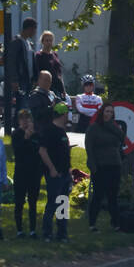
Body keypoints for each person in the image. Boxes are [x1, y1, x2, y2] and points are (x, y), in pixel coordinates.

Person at [84, 102, 125, 233]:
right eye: (107, 112)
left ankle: (116, 223)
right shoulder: (94, 128)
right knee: (98, 195)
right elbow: (89, 147)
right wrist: (93, 166)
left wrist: (113, 127)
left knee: (113, 195)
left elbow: (122, 139)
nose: (109, 114)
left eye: (111, 112)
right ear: (102, 113)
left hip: (114, 164)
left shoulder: (114, 127)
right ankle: (92, 224)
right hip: (100, 165)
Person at [39, 102, 74, 243]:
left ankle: (62, 233)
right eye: (67, 113)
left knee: (63, 203)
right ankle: (47, 232)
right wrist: (52, 169)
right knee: (52, 203)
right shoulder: (49, 130)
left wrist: (69, 170)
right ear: (63, 114)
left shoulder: (62, 131)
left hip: (65, 173)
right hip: (55, 174)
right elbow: (42, 151)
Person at [9, 108, 43, 239]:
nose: (25, 121)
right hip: (21, 171)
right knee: (19, 201)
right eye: (22, 119)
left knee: (33, 202)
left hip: (34, 172)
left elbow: (39, 152)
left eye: (27, 119)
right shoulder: (16, 134)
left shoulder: (37, 135)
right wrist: (26, 137)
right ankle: (19, 230)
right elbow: (18, 151)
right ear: (18, 121)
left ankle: (33, 229)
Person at [7, 17, 38, 125]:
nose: (34, 32)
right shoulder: (17, 42)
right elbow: (12, 61)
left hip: (28, 80)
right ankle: (18, 127)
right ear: (29, 29)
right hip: (21, 80)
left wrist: (35, 78)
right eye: (34, 29)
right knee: (22, 105)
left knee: (25, 105)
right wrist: (14, 79)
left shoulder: (29, 43)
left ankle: (22, 127)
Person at [33, 30, 65, 99]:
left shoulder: (55, 55)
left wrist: (63, 89)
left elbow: (59, 73)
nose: (49, 42)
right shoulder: (39, 55)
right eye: (47, 40)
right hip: (46, 88)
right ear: (42, 42)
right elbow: (37, 72)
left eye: (50, 40)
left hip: (57, 87)